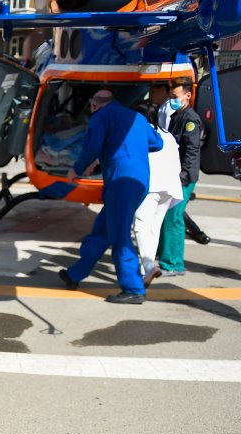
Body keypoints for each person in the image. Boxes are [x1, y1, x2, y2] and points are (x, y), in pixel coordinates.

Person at [58, 90, 162, 304]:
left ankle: (133, 288)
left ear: (94, 106)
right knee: (103, 229)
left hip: (121, 180)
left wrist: (77, 168)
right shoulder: (137, 117)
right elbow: (157, 143)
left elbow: (93, 145)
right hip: (140, 180)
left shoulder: (101, 116)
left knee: (119, 236)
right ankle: (75, 274)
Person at [150, 77, 201, 277]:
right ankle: (166, 258)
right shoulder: (174, 116)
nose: (172, 100)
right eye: (170, 96)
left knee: (173, 217)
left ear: (187, 95)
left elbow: (191, 151)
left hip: (183, 177)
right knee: (166, 216)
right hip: (172, 174)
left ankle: (173, 264)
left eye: (175, 96)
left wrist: (183, 177)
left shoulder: (190, 120)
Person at [132, 111, 181, 286]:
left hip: (151, 186)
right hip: (169, 187)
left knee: (141, 226)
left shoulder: (140, 132)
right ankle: (147, 269)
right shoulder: (168, 135)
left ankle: (148, 267)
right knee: (154, 229)